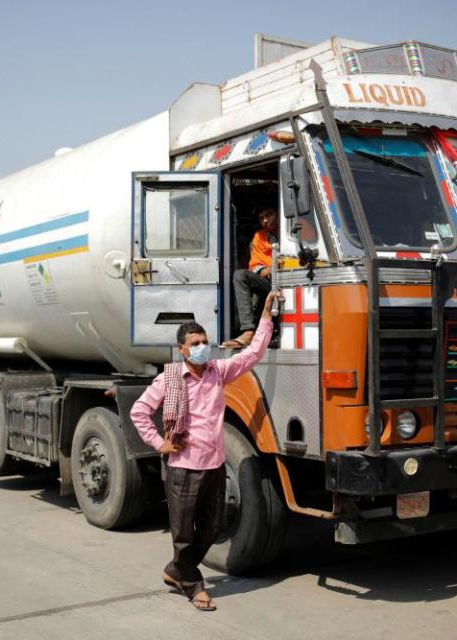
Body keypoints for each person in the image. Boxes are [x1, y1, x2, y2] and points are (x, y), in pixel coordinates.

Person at [130, 289, 281, 612]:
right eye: (195, 344)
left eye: (204, 341)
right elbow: (139, 412)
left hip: (214, 465)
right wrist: (160, 443)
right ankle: (193, 584)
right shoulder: (170, 380)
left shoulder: (217, 372)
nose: (202, 348)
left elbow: (252, 354)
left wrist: (266, 315)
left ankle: (175, 570)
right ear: (181, 349)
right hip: (183, 466)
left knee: (212, 527)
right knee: (183, 533)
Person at [222, 207, 278, 349]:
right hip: (270, 282)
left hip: (295, 281)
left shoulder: (295, 230)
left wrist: (280, 268)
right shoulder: (259, 236)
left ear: (278, 212)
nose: (265, 220)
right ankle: (248, 332)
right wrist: (269, 270)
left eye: (269, 214)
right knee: (240, 275)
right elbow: (255, 267)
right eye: (261, 218)